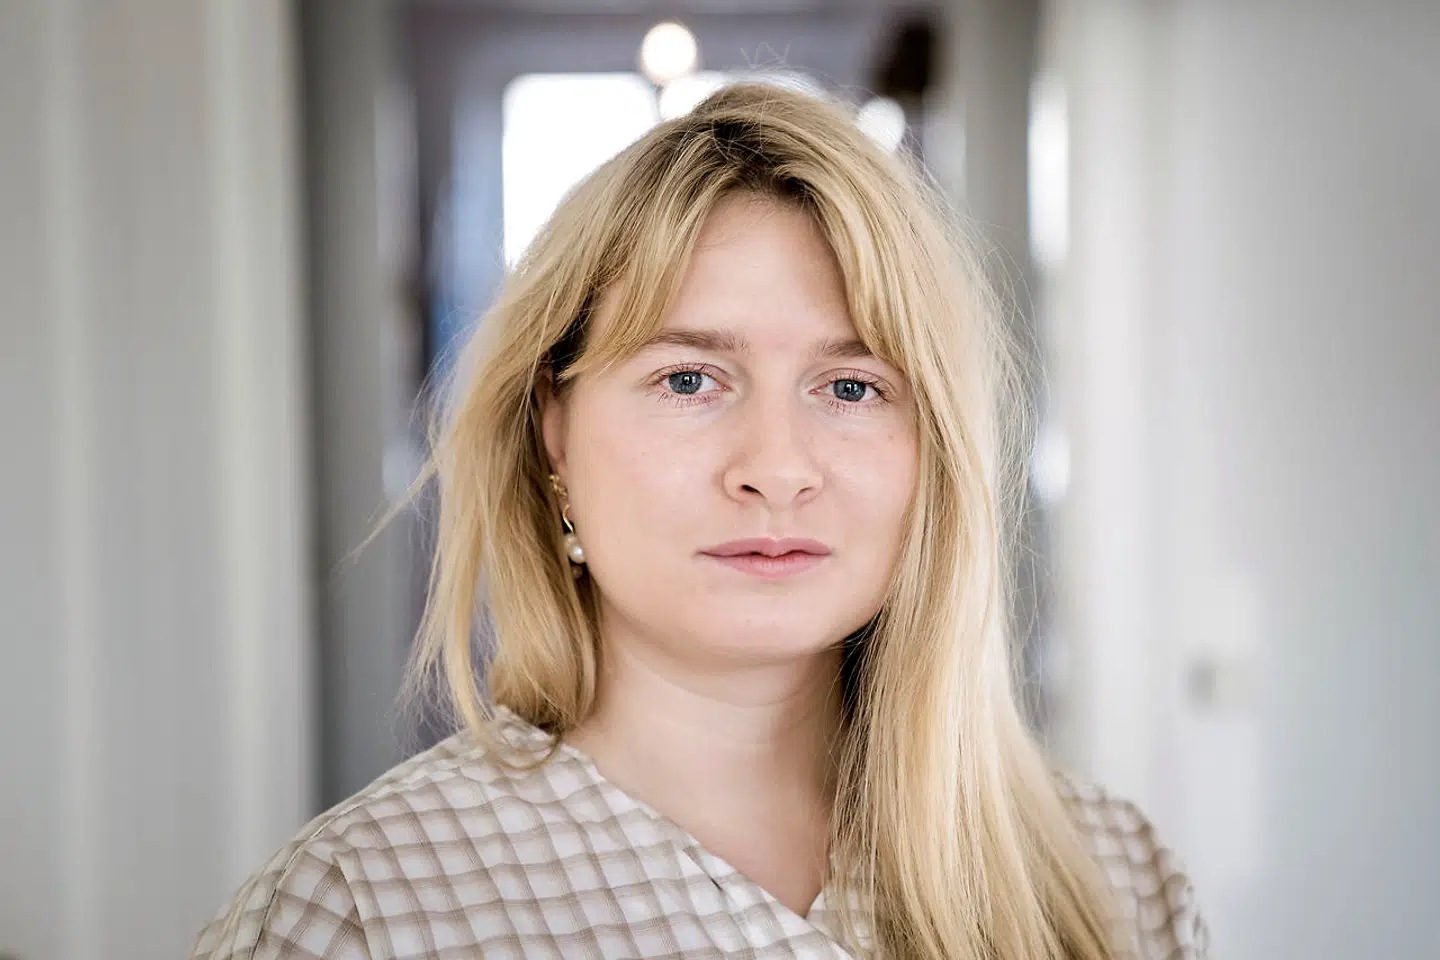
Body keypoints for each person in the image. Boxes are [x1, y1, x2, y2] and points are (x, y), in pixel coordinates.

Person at [191, 82, 1207, 959]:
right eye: (689, 379)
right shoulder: (359, 911)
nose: (776, 470)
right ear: (553, 430)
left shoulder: (1108, 879)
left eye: (851, 387)